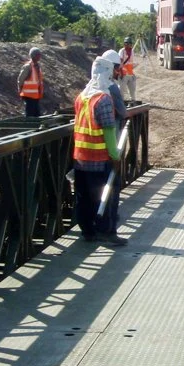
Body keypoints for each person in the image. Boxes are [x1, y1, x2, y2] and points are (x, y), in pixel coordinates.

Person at [73, 56, 126, 246]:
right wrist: (115, 156)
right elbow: (109, 131)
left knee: (84, 198)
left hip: (80, 158)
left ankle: (87, 231)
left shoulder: (82, 97)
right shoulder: (103, 99)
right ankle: (107, 232)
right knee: (106, 197)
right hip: (99, 159)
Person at [101, 49, 127, 238]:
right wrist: (115, 154)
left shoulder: (89, 89)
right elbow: (121, 112)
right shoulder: (111, 88)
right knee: (112, 187)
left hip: (88, 152)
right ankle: (110, 228)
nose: (119, 71)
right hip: (109, 148)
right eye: (118, 67)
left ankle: (92, 229)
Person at [17, 47, 44, 117]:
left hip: (36, 95)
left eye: (39, 55)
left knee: (36, 114)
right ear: (33, 55)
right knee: (30, 114)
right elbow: (20, 80)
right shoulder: (28, 67)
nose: (39, 57)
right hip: (28, 95)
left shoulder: (37, 66)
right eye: (38, 55)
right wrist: (20, 90)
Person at [118, 36, 136, 102]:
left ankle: (133, 100)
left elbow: (130, 63)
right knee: (121, 90)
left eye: (129, 44)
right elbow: (120, 62)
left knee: (132, 89)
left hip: (130, 73)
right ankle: (121, 102)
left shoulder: (132, 51)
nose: (128, 45)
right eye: (126, 44)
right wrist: (121, 73)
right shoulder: (122, 51)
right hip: (123, 74)